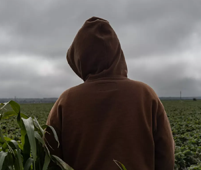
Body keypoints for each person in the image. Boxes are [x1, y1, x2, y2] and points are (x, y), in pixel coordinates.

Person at [45, 16, 174, 170]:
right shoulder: (146, 95)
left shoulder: (65, 101)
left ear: (79, 59)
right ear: (118, 54)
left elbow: (51, 158)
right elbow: (166, 157)